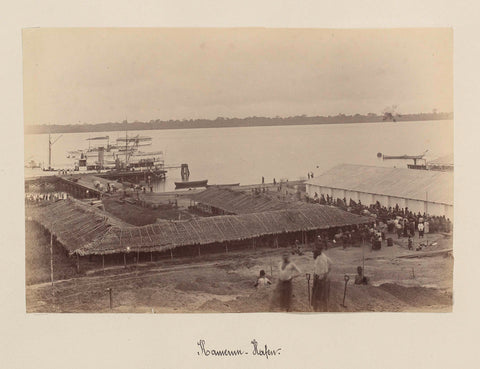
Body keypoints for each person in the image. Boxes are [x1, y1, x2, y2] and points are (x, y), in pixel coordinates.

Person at [311, 247, 332, 312]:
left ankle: (323, 310)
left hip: (321, 279)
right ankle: (316, 308)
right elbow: (331, 263)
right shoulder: (318, 257)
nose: (313, 254)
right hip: (317, 277)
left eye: (315, 252)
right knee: (316, 294)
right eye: (313, 252)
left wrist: (325, 275)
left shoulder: (323, 258)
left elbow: (326, 269)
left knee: (322, 295)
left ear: (319, 251)